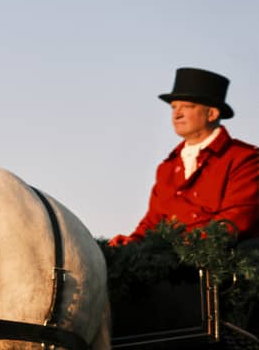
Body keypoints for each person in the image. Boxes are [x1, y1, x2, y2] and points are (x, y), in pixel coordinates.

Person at [110, 67, 259, 246]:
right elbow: (152, 223)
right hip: (172, 264)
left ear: (211, 113)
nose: (176, 114)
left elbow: (237, 219)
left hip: (219, 266)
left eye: (187, 106)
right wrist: (132, 243)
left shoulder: (244, 159)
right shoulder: (167, 168)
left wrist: (178, 249)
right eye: (174, 107)